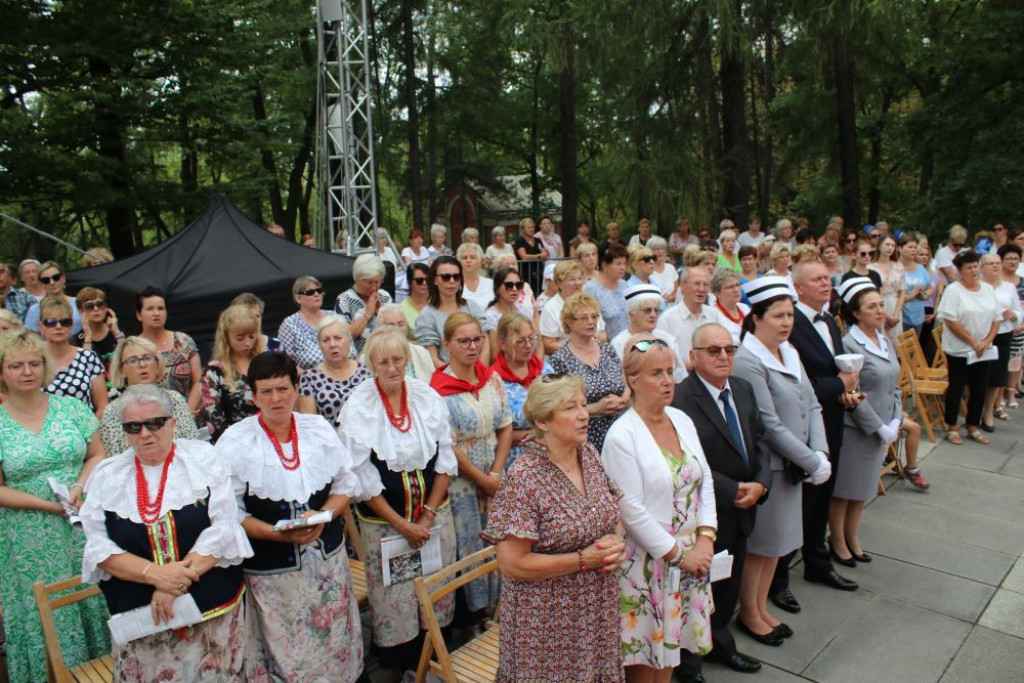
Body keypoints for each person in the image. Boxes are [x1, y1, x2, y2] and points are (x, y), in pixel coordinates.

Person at [81, 384, 251, 679]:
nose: (145, 433)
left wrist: (172, 583)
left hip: (209, 617)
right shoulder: (107, 476)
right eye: (134, 427)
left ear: (173, 423)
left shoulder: (202, 459)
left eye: (154, 423)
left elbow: (223, 526)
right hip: (142, 623)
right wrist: (154, 574)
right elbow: (98, 547)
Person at [214, 353, 365, 681]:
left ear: (296, 388)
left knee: (335, 639)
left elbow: (346, 484)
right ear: (252, 395)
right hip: (274, 576)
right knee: (290, 653)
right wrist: (275, 532)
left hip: (327, 566)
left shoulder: (317, 429)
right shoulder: (236, 442)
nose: (275, 398)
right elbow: (228, 513)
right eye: (265, 391)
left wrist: (323, 515)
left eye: (282, 388)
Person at [481, 374, 625, 682]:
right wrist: (582, 561)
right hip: (546, 625)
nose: (584, 414)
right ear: (543, 421)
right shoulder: (524, 478)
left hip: (595, 609)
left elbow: (613, 510)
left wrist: (615, 542)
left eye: (584, 405)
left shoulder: (588, 454)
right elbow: (512, 563)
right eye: (570, 408)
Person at [335, 328, 459, 678]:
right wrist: (404, 524)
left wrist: (428, 515)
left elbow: (445, 460)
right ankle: (401, 668)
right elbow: (361, 476)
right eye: (383, 362)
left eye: (398, 360)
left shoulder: (425, 397)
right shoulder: (360, 405)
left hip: (435, 519)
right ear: (371, 364)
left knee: (433, 589)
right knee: (397, 599)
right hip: (387, 526)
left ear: (407, 359)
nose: (392, 368)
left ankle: (434, 663)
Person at [602, 335, 717, 681]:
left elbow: (705, 478)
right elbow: (630, 510)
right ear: (633, 382)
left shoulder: (681, 419)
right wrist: (680, 555)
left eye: (670, 371)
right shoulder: (621, 436)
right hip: (647, 565)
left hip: (690, 557)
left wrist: (706, 538)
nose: (668, 381)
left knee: (669, 660)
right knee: (644, 662)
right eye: (656, 374)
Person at [0, 331, 110, 683]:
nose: (27, 371)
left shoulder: (71, 407)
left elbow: (98, 454)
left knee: (94, 591)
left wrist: (78, 487)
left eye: (34, 363)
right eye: (16, 365)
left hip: (81, 518)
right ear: (2, 371)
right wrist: (45, 505)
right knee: (44, 608)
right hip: (27, 532)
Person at [731, 277, 831, 645]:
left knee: (780, 545)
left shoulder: (789, 352)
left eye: (789, 315)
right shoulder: (748, 360)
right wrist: (810, 460)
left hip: (796, 464)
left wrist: (820, 454)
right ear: (755, 318)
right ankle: (750, 613)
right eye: (778, 316)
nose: (787, 322)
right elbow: (769, 424)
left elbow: (813, 402)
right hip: (772, 467)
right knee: (762, 547)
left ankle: (760, 606)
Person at [673, 323, 770, 677]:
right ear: (694, 356)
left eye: (729, 349)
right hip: (707, 513)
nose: (723, 357)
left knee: (728, 586)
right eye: (713, 351)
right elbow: (689, 461)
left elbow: (759, 441)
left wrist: (761, 483)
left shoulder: (742, 389)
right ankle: (689, 664)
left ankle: (720, 645)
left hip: (745, 507)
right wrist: (734, 491)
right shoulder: (681, 399)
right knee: (698, 589)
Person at [768, 261, 858, 615]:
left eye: (828, 278)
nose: (827, 283)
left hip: (829, 422)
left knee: (822, 498)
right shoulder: (793, 325)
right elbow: (798, 387)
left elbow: (834, 371)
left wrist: (845, 392)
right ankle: (778, 582)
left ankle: (818, 563)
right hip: (798, 429)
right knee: (797, 506)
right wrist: (840, 386)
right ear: (798, 287)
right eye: (818, 279)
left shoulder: (830, 320)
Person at [431, 313, 513, 616]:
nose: (472, 346)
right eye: (463, 341)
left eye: (477, 339)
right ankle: (473, 615)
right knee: (469, 543)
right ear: (447, 345)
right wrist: (481, 479)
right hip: (462, 483)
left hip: (494, 473)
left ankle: (499, 608)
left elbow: (504, 425)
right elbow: (448, 445)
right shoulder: (438, 390)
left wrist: (495, 473)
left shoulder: (491, 378)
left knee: (498, 539)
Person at [829, 278, 901, 567]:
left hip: (883, 426)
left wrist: (896, 418)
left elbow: (894, 383)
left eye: (881, 305)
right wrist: (878, 425)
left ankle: (853, 536)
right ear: (856, 312)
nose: (879, 311)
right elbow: (852, 391)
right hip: (858, 429)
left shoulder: (882, 338)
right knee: (845, 490)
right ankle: (836, 540)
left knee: (864, 489)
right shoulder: (850, 343)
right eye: (872, 307)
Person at [937, 250, 1001, 444]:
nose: (973, 271)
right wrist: (973, 342)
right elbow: (951, 320)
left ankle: (973, 425)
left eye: (976, 266)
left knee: (980, 387)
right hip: (959, 348)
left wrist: (987, 340)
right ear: (960, 270)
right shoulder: (953, 290)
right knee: (956, 387)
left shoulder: (988, 289)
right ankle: (952, 426)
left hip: (983, 348)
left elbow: (997, 318)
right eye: (969, 267)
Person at [549, 293, 627, 450]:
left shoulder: (607, 349)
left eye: (594, 316)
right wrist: (596, 408)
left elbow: (626, 382)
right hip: (585, 437)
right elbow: (558, 408)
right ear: (569, 322)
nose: (591, 322)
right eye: (584, 318)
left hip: (620, 432)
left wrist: (623, 400)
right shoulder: (560, 359)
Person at [101, 337, 201, 456]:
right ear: (122, 370)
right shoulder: (112, 411)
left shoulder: (174, 399)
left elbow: (193, 445)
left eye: (147, 358)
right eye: (133, 360)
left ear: (157, 364)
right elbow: (113, 459)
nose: (142, 364)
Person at [491, 311, 549, 468]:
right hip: (515, 463)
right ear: (503, 344)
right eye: (521, 341)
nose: (529, 345)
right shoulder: (493, 382)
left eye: (532, 338)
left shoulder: (546, 371)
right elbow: (493, 435)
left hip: (553, 456)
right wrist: (537, 434)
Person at [295, 314, 372, 425]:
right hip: (329, 440)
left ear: (349, 341)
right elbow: (309, 426)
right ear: (320, 345)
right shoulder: (309, 378)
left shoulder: (367, 372)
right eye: (326, 340)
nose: (332, 344)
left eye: (337, 338)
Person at [136, 286, 201, 414]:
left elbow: (198, 381)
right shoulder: (134, 349)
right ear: (139, 315)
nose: (156, 313)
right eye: (150, 309)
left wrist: (187, 412)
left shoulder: (184, 341)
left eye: (161, 308)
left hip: (190, 415)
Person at [39, 295, 109, 416]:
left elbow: (102, 406)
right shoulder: (34, 361)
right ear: (41, 327)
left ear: (71, 325)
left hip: (85, 431)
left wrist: (89, 433)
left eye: (65, 321)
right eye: (51, 322)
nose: (58, 326)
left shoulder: (88, 357)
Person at [416, 255, 490, 366]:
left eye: (456, 277)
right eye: (446, 277)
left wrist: (480, 371)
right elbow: (432, 358)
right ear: (435, 280)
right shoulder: (426, 316)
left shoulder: (472, 306)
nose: (452, 281)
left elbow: (485, 342)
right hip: (447, 377)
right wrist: (457, 378)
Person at [200, 305, 260, 442]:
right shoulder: (214, 371)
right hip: (233, 444)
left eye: (252, 336)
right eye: (240, 338)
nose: (247, 343)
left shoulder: (263, 361)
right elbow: (215, 420)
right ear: (226, 337)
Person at [980, 252, 1022, 431]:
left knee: (997, 376)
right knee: (979, 373)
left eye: (998, 263)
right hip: (982, 334)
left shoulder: (1008, 287)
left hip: (1003, 334)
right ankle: (972, 411)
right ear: (982, 268)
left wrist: (1014, 315)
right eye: (991, 264)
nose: (996, 266)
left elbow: (1017, 310)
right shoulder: (978, 286)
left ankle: (989, 411)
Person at [611, 285, 685, 382]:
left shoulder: (669, 340)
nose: (653, 315)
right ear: (632, 314)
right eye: (647, 310)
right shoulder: (618, 343)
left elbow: (680, 377)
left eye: (656, 310)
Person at [658, 267, 721, 374]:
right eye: (697, 283)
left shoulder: (713, 314)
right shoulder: (667, 319)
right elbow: (662, 358)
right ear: (682, 286)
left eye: (705, 284)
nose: (701, 289)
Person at [539, 259, 604, 353]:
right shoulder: (550, 308)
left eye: (580, 278)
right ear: (559, 283)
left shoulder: (590, 302)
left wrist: (594, 342)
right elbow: (548, 345)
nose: (577, 283)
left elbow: (603, 333)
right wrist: (579, 347)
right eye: (572, 279)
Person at [335, 253, 393, 356]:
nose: (374, 287)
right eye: (369, 282)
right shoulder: (344, 300)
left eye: (377, 282)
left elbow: (395, 329)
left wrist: (380, 313)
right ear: (357, 279)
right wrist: (367, 314)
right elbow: (343, 335)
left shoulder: (384, 296)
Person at [278, 275, 329, 369]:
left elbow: (350, 348)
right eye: (310, 292)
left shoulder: (333, 317)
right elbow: (286, 362)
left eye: (319, 290)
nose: (316, 294)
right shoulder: (289, 324)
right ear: (298, 298)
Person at [374, 303, 435, 382]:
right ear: (380, 328)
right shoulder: (370, 357)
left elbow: (433, 386)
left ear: (406, 325)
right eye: (391, 325)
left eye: (401, 324)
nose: (397, 329)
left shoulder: (422, 353)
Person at [584, 243, 631, 340]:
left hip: (629, 341)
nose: (623, 268)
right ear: (605, 265)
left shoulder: (624, 285)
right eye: (618, 264)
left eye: (624, 263)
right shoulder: (591, 289)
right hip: (607, 345)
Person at [24, 261, 83, 336]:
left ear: (63, 278)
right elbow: (32, 341)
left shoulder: (79, 303)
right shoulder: (35, 310)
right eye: (46, 280)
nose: (52, 282)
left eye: (56, 277)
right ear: (41, 284)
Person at [75, 286, 123, 377]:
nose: (96, 309)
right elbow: (83, 369)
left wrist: (116, 333)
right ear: (81, 311)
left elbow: (129, 359)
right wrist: (88, 337)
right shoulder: (76, 339)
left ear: (106, 307)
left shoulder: (119, 330)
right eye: (89, 306)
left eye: (100, 304)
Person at [869, 234, 905, 347]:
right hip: (879, 305)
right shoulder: (871, 268)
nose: (890, 248)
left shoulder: (898, 265)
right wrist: (887, 317)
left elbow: (902, 292)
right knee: (881, 340)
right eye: (887, 244)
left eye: (893, 245)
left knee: (897, 343)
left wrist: (895, 315)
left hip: (895, 305)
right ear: (879, 246)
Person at [999, 244, 1024, 408]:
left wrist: (1021, 326)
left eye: (1016, 258)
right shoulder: (998, 282)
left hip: (1020, 326)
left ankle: (1011, 393)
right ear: (1001, 261)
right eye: (1009, 258)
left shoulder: (1022, 281)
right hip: (1001, 327)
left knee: (1015, 361)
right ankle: (999, 395)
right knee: (1001, 362)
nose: (1013, 261)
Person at [899, 234, 932, 336]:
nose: (913, 250)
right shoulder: (896, 267)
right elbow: (892, 295)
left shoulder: (920, 268)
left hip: (918, 316)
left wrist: (924, 295)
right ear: (899, 248)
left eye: (915, 247)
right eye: (910, 247)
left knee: (913, 349)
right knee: (900, 349)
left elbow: (930, 288)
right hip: (901, 316)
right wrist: (911, 296)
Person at [712, 268, 750, 344]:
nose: (736, 290)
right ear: (717, 293)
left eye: (738, 285)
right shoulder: (713, 314)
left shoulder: (745, 308)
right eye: (730, 287)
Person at [513, 217, 548, 293]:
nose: (531, 229)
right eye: (528, 227)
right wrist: (539, 256)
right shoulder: (520, 241)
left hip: (539, 272)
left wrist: (536, 256)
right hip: (525, 273)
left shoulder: (538, 240)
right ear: (523, 229)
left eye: (532, 227)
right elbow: (524, 257)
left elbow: (545, 254)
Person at [458, 242, 494, 311]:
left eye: (473, 257)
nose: (468, 260)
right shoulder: (453, 284)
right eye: (464, 258)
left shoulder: (491, 284)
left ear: (480, 261)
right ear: (459, 262)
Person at [400, 262, 431, 337]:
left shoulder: (439, 303)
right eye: (419, 280)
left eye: (427, 279)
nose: (424, 283)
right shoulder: (400, 310)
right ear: (409, 283)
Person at [647, 235, 679, 305]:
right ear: (650, 251)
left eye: (662, 248)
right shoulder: (647, 270)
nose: (660, 251)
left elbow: (677, 291)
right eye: (657, 249)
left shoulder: (671, 268)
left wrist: (671, 297)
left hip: (671, 309)